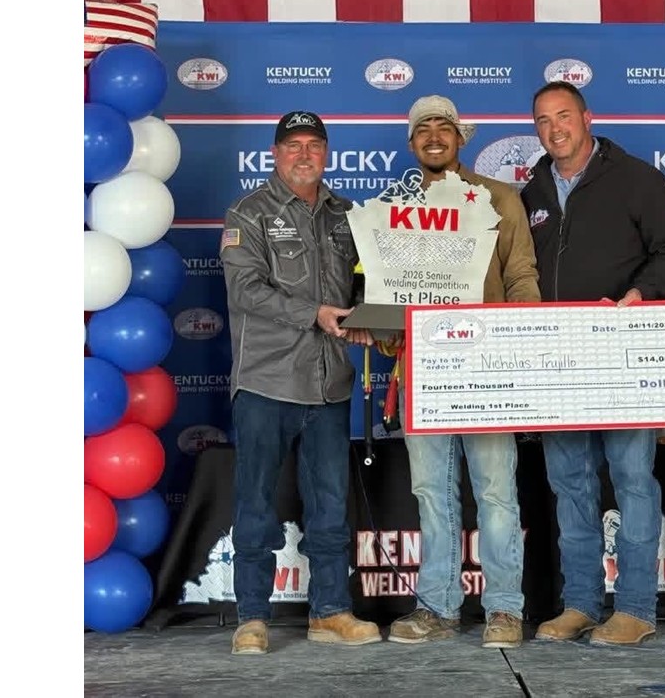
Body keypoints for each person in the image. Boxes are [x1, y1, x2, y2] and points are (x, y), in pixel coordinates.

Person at [519, 81, 665, 646]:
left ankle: (636, 608)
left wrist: (640, 295)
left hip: (621, 355)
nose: (555, 129)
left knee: (632, 480)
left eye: (564, 116)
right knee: (570, 484)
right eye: (543, 120)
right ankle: (581, 604)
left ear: (587, 117)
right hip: (556, 359)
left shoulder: (636, 178)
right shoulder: (533, 190)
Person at [220, 110, 380, 656]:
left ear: (327, 153)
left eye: (314, 144)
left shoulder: (348, 215)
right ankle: (252, 617)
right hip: (266, 381)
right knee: (256, 504)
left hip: (330, 383)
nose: (304, 154)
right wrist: (314, 313)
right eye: (293, 145)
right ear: (275, 154)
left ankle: (330, 611)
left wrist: (369, 317)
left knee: (331, 505)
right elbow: (245, 290)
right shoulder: (249, 212)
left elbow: (366, 284)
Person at [386, 95, 542, 649]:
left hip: (486, 366)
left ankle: (504, 608)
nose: (434, 136)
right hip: (422, 367)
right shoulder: (395, 205)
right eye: (423, 129)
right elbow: (383, 287)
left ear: (460, 138)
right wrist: (382, 328)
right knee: (431, 492)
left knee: (496, 491)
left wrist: (520, 346)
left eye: (444, 128)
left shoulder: (500, 199)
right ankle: (438, 606)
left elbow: (521, 276)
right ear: (412, 143)